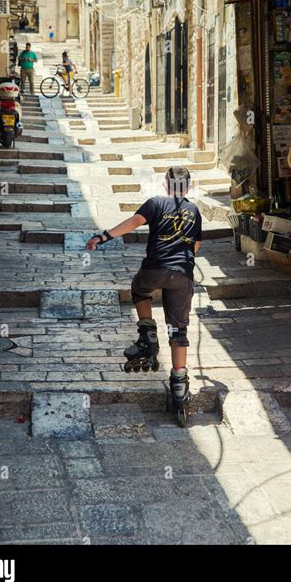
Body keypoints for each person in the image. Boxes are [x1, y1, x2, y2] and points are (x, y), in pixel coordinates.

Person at [86, 167, 202, 425]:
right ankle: (180, 385)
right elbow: (195, 246)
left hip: (153, 270)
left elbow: (134, 222)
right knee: (178, 330)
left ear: (165, 184)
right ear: (189, 187)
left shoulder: (155, 203)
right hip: (182, 275)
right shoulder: (194, 210)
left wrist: (103, 236)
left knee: (139, 289)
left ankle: (148, 336)